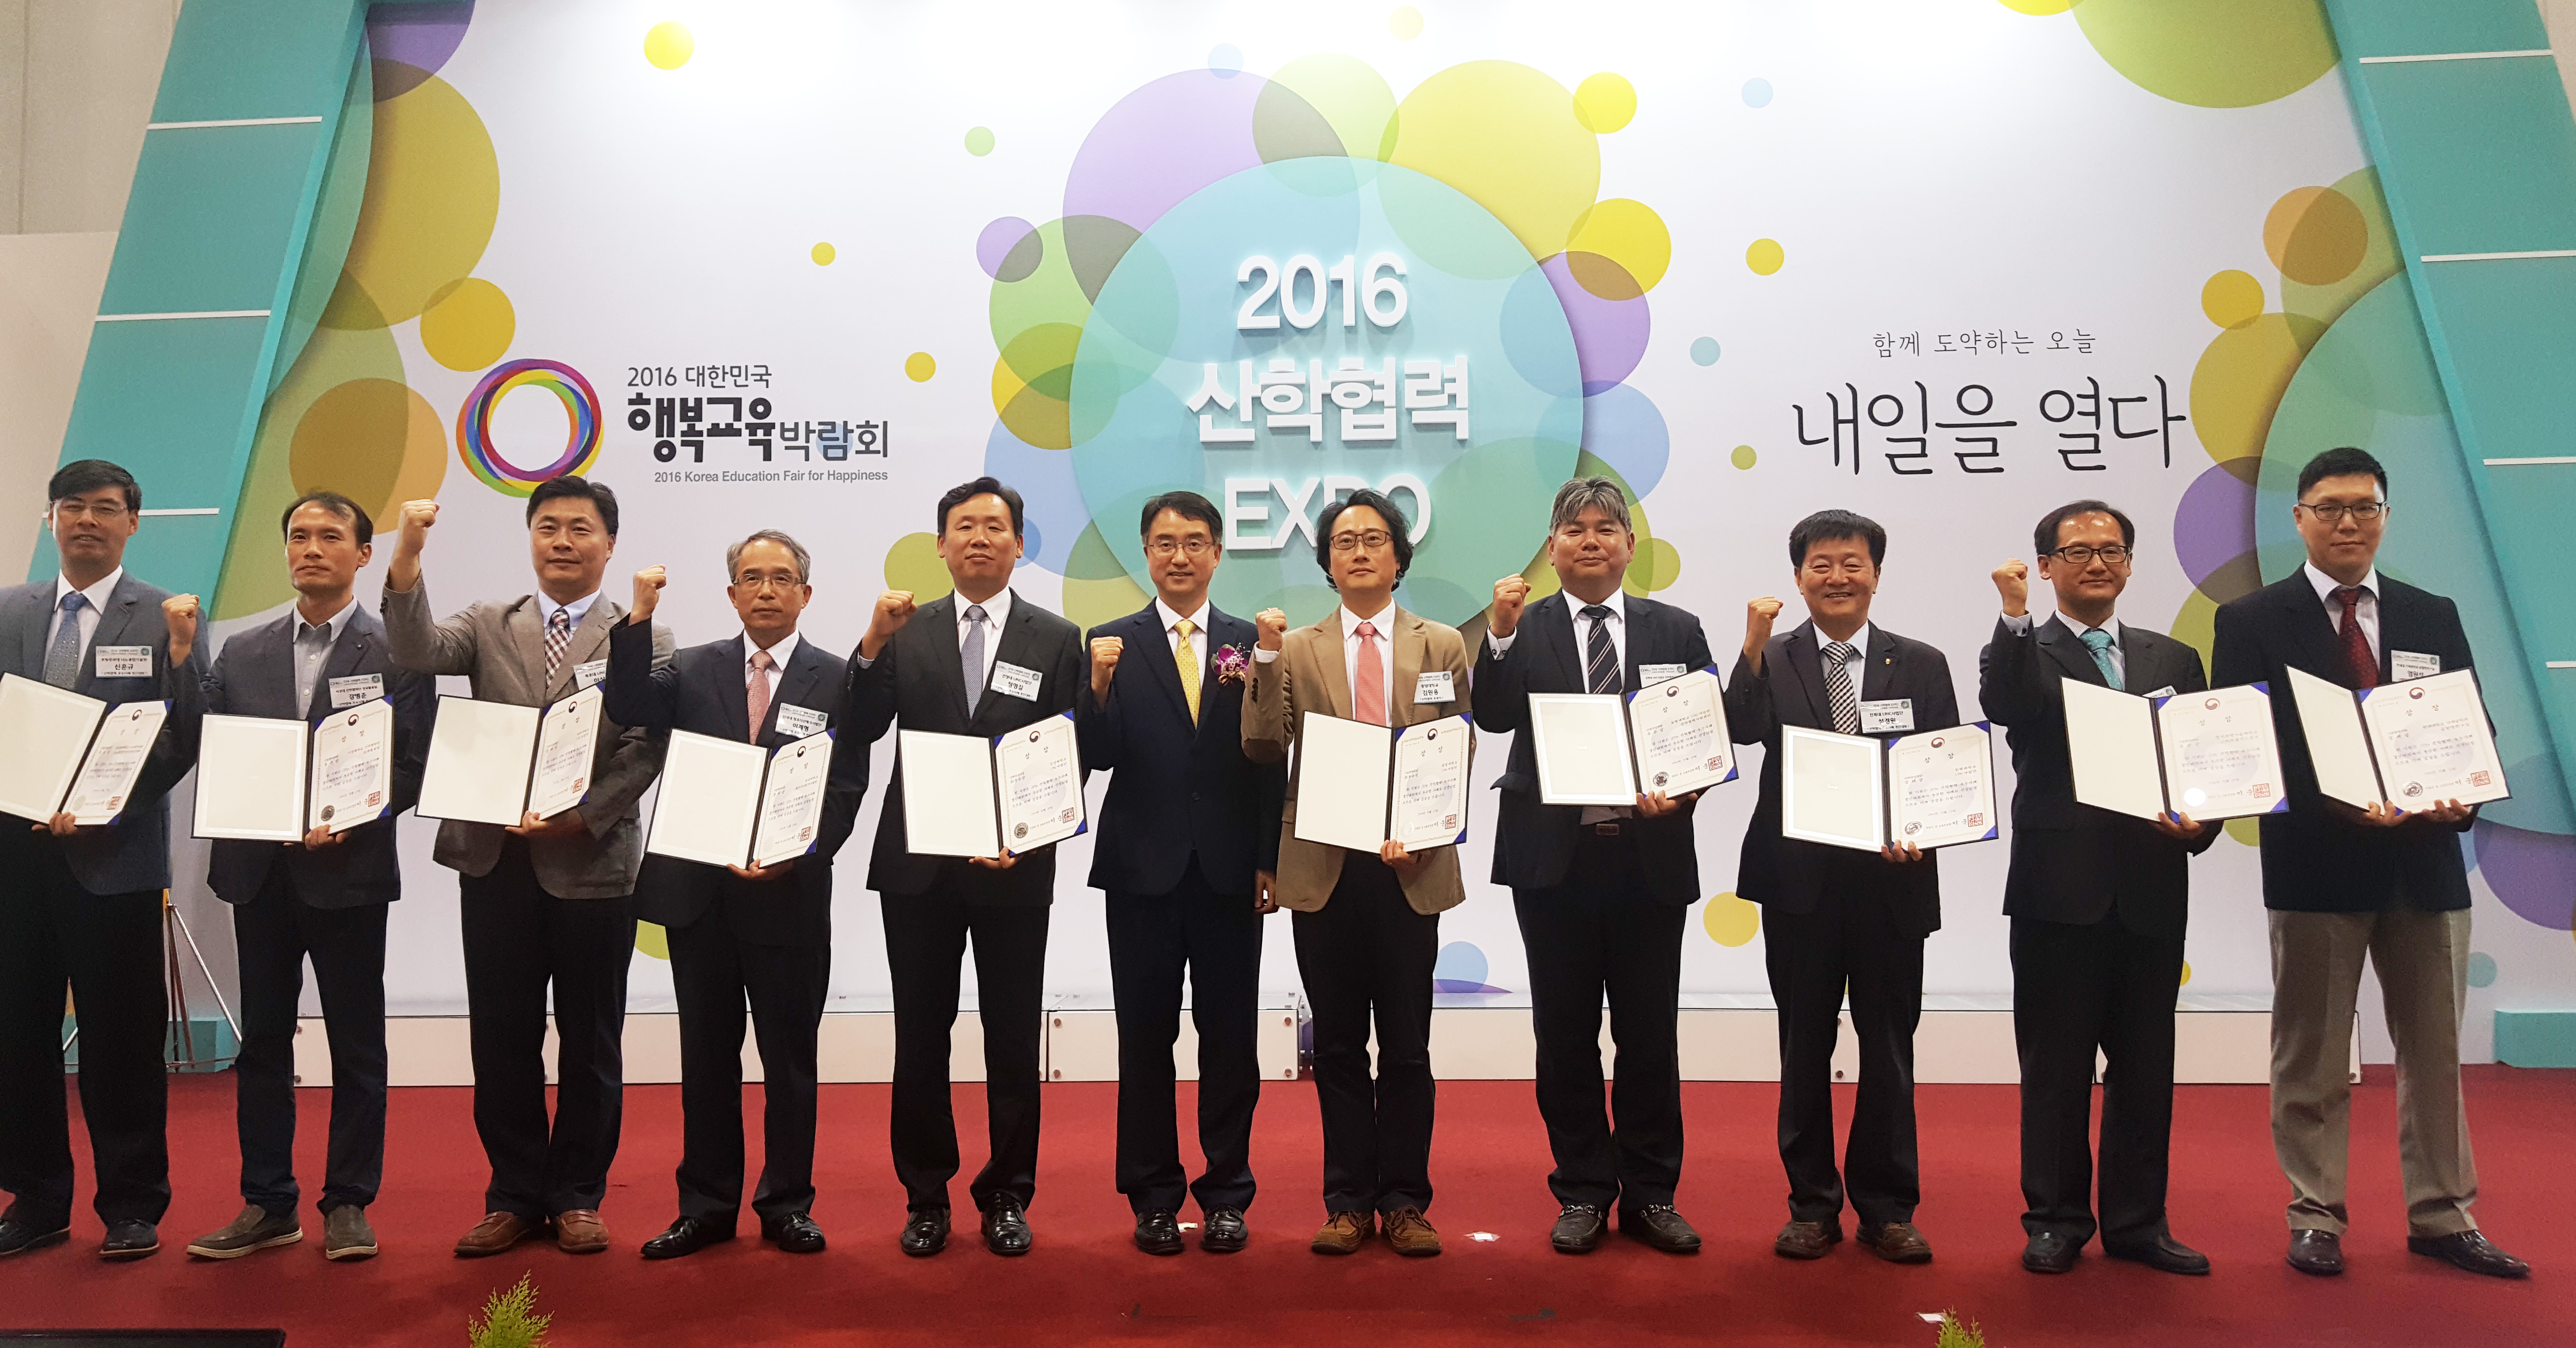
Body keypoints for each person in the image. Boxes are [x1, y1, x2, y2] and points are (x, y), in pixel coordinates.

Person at [2211, 445, 2527, 1280]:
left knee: (2436, 1054)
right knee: (2311, 1054)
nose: (2348, 522)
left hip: (2426, 866)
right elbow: (2243, 746)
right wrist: (2338, 801)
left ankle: (2443, 1213)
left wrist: (2465, 795)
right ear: (2299, 518)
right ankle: (2315, 1213)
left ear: (2386, 515)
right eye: (2330, 507)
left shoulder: (2431, 612)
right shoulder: (2251, 620)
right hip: (2317, 867)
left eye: (2364, 506)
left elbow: (2471, 727)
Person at [381, 475, 674, 1259]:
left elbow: (647, 744)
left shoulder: (642, 632)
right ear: (532, 538)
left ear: (609, 543)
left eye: (580, 528)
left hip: (591, 860)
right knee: (501, 1035)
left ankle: (577, 1194)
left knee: (591, 1038)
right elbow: (413, 650)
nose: (563, 541)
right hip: (496, 859)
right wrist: (408, 553)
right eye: (548, 527)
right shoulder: (488, 621)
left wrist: (584, 813)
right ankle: (512, 1194)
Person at [604, 530, 866, 1260]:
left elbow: (846, 785)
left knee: (790, 1062)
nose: (766, 590)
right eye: (751, 578)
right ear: (731, 594)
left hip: (789, 898)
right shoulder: (690, 668)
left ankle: (788, 1203)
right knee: (707, 1059)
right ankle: (707, 1206)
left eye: (781, 578)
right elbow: (626, 702)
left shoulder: (837, 679)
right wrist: (638, 619)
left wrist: (797, 853)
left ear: (806, 594)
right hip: (701, 899)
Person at [184, 494, 432, 1264]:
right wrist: (181, 655)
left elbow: (414, 760)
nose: (312, 548)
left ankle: (349, 1201)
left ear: (363, 555)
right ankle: (267, 1202)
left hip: (348, 869)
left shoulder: (395, 650)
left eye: (330, 536)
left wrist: (355, 814)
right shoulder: (241, 650)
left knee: (357, 1042)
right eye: (299, 536)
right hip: (259, 872)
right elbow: (210, 745)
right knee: (262, 1039)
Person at [1470, 477, 1712, 1256]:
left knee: (1650, 1035)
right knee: (1564, 1033)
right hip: (1554, 864)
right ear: (1552, 548)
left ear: (1630, 547)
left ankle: (1651, 1193)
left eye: (1607, 527)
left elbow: (1701, 735)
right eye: (1574, 529)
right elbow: (1493, 715)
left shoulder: (1678, 628)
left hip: (1648, 859)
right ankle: (1581, 1189)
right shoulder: (1522, 626)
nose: (1591, 540)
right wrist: (1497, 633)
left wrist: (1683, 789)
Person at [845, 476, 1083, 1258]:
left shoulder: (1058, 637)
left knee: (1012, 1036)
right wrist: (870, 645)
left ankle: (1007, 1193)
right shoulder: (903, 629)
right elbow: (861, 725)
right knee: (921, 1035)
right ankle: (926, 1195)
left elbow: (1069, 754)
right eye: (965, 527)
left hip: (1015, 864)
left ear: (1019, 543)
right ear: (942, 545)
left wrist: (1030, 833)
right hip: (920, 867)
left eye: (995, 526)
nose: (980, 538)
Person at [1979, 499, 2215, 1277]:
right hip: (2059, 892)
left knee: (2146, 1067)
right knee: (2057, 1069)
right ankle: (2054, 1218)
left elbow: (2201, 763)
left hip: (2152, 891)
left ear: (2130, 564)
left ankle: (2139, 1221)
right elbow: (2008, 706)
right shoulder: (2024, 650)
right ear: (2047, 566)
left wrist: (2201, 823)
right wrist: (2014, 616)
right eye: (2077, 551)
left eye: (2111, 550)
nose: (2096, 563)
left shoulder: (2173, 657)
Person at [1243, 487, 1473, 1259]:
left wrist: (1425, 833)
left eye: (1376, 539)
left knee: (1407, 1047)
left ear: (1399, 558)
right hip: (1325, 868)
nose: (1361, 551)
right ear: (1328, 563)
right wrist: (1263, 657)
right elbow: (1263, 745)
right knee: (1338, 1046)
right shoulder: (1296, 648)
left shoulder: (1442, 643)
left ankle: (1405, 1200)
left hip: (1410, 868)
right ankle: (1346, 1201)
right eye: (1345, 542)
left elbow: (1456, 747)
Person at [1726, 509, 1957, 1265]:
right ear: (1798, 578)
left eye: (1851, 563)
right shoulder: (1774, 655)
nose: (1837, 577)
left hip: (1893, 885)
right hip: (1800, 885)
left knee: (1889, 1047)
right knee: (1804, 1047)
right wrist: (1752, 644)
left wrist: (1924, 828)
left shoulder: (1920, 662)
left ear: (1876, 575)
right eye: (1820, 565)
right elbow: (1740, 728)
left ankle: (1888, 1208)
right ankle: (1812, 1205)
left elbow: (1943, 766)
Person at [0, 459, 204, 1262]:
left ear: (132, 523)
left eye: (106, 507)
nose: (87, 519)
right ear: (50, 518)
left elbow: (182, 737)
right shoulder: (10, 610)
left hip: (115, 857)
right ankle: (36, 1197)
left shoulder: (165, 615)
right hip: (15, 858)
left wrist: (100, 806)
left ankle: (131, 1204)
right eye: (73, 505)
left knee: (122, 1038)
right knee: (17, 1032)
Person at [1077, 491, 1284, 1256]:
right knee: (1145, 1040)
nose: (1180, 556)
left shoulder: (1251, 641)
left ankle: (1227, 1193)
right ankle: (1154, 1198)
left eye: (1195, 542)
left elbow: (1269, 757)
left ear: (1218, 553)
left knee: (1230, 1041)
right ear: (1145, 552)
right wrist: (1097, 690)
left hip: (1229, 871)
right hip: (1141, 871)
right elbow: (1094, 756)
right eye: (1164, 542)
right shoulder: (1110, 643)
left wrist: (1268, 857)